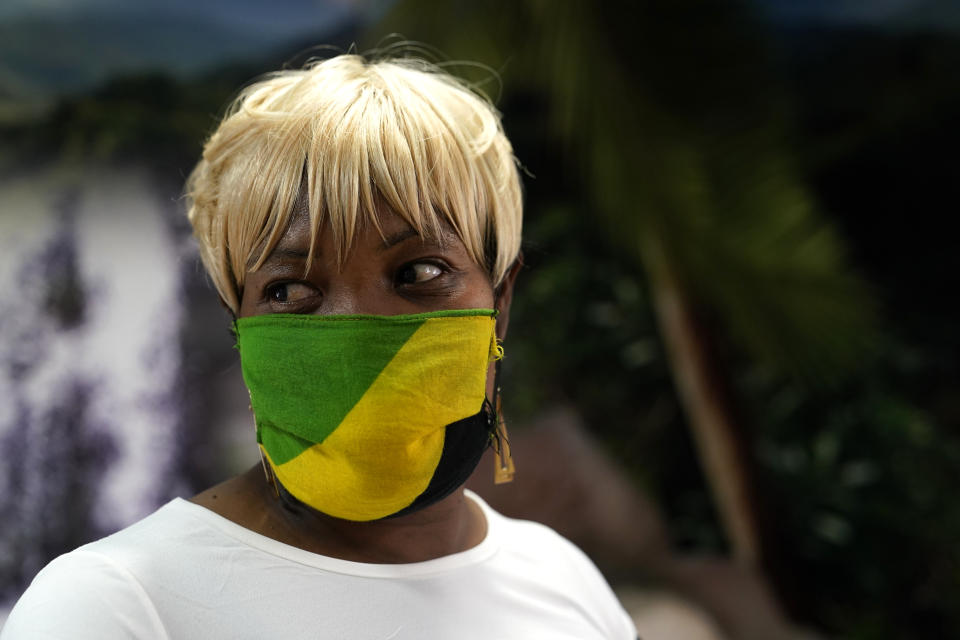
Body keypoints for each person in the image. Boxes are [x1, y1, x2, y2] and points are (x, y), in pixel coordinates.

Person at [2, 52, 638, 639]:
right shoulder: (114, 605)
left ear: (500, 301)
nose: (357, 325)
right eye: (289, 289)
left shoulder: (561, 580)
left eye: (418, 273)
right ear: (237, 320)